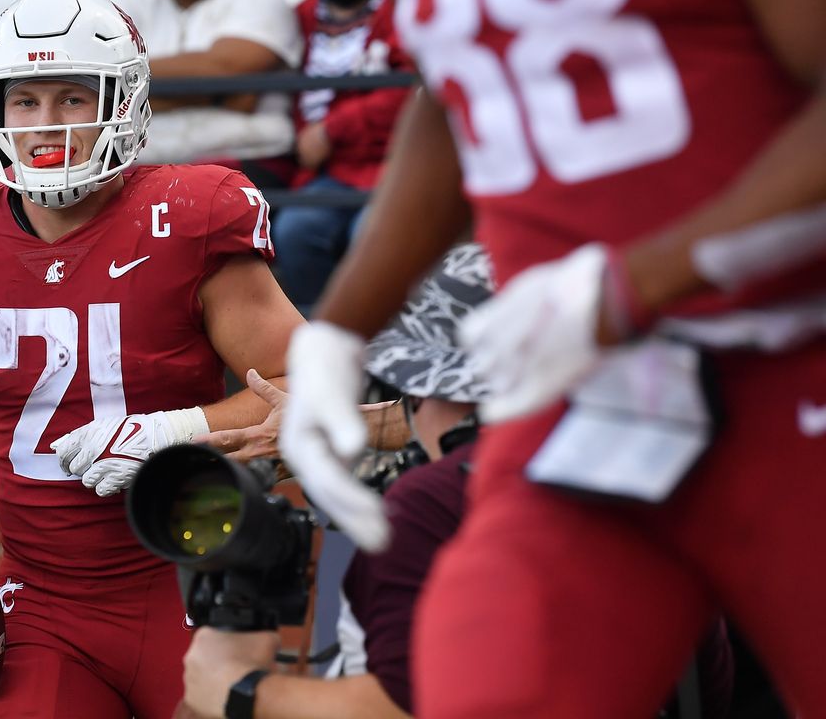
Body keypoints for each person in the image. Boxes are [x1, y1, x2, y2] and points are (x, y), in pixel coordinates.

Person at [277, 0, 826, 717]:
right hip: (591, 401)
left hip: (791, 366)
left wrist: (633, 283)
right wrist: (340, 329)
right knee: (499, 689)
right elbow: (460, 83)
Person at [0, 0, 305, 719]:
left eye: (72, 97)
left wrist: (171, 430)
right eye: (25, 101)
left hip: (187, 575)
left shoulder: (189, 216)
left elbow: (302, 383)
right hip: (45, 604)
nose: (46, 124)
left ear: (122, 99)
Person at [184, 244, 735, 719]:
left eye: (413, 389)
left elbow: (404, 707)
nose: (411, 408)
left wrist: (240, 688)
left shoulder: (432, 503)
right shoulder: (659, 480)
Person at [271, 0, 413, 310]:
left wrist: (333, 130)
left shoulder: (405, 2)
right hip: (328, 176)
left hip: (400, 167)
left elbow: (415, 93)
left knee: (373, 234)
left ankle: (386, 361)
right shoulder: (294, 18)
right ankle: (321, 349)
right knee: (297, 230)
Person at [108, 0, 303, 166]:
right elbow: (105, 83)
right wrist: (218, 97)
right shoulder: (134, 5)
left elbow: (223, 69)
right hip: (149, 162)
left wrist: (134, 90)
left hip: (247, 157)